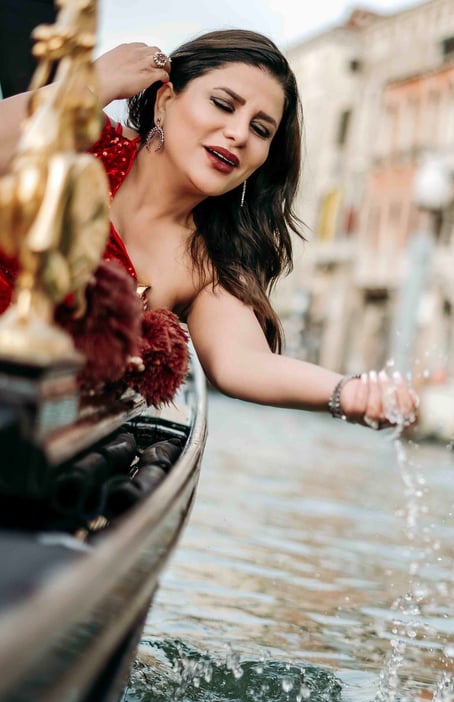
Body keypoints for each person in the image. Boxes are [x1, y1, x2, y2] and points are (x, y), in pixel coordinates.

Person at [0, 29, 417, 430]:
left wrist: (346, 391)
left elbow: (244, 363)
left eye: (260, 129)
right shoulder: (73, 145)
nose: (237, 134)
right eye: (222, 104)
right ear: (164, 101)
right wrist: (91, 84)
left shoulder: (207, 263)